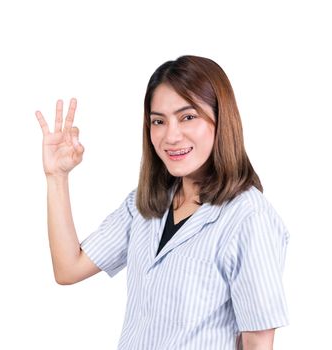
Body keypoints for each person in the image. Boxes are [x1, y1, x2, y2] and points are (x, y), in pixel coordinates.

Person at [35, 55, 290, 350]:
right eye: (159, 121)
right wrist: (57, 177)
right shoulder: (144, 205)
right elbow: (68, 269)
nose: (171, 136)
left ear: (222, 120)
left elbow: (258, 342)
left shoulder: (249, 218)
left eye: (188, 117)